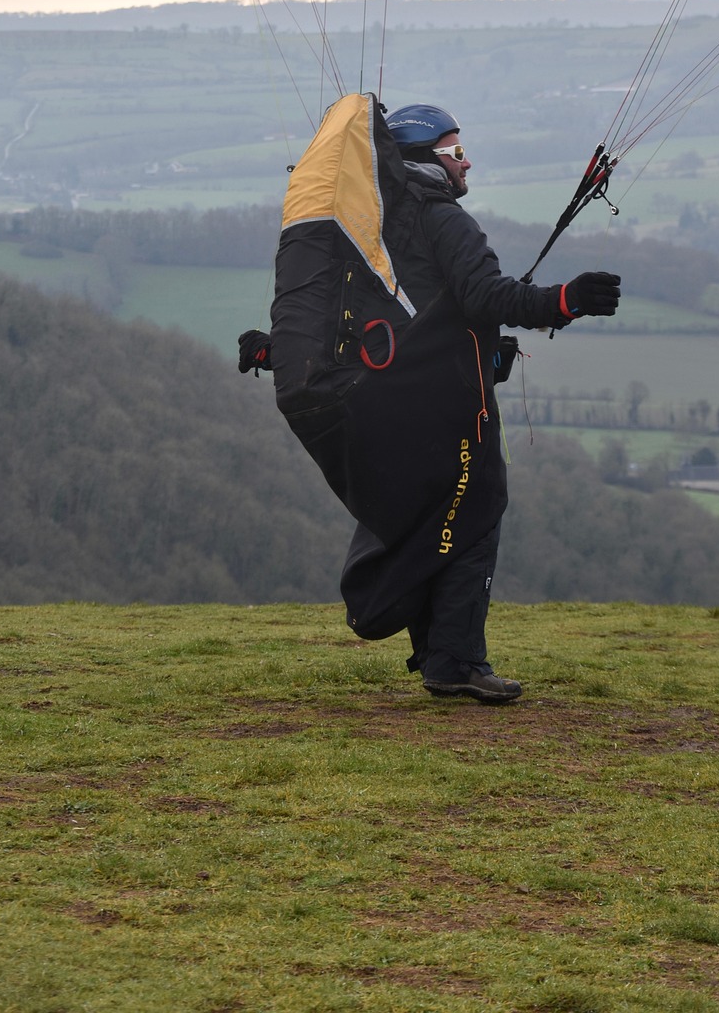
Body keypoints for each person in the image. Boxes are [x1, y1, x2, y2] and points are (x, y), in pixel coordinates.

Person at [241, 97, 621, 704]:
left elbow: (341, 314)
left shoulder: (371, 227)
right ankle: (456, 660)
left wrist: (273, 352)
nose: (466, 165)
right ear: (425, 156)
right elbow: (487, 295)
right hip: (448, 411)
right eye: (456, 152)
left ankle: (438, 651)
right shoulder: (442, 219)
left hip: (387, 409)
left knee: (429, 516)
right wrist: (564, 301)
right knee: (477, 510)